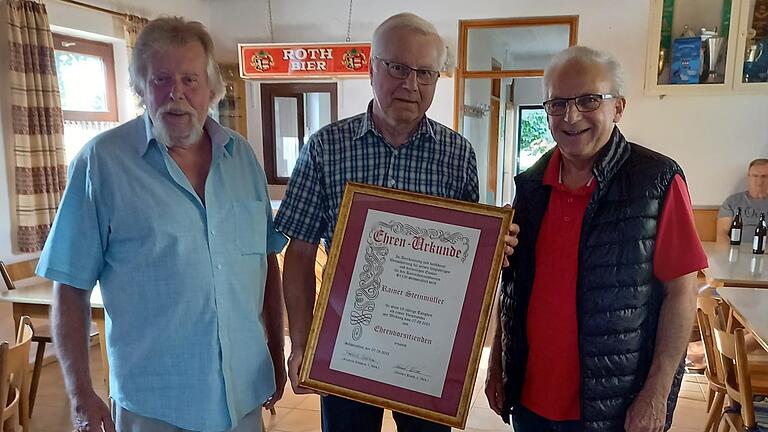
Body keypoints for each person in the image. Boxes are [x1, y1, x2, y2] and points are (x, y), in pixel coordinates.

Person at [36, 17, 287, 432]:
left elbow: (266, 265)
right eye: (161, 80)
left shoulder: (241, 157)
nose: (177, 94)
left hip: (243, 395)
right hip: (154, 406)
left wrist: (276, 357)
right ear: (140, 88)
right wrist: (81, 395)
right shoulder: (101, 163)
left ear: (211, 90)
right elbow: (70, 287)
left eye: (190, 79)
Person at [274, 12, 516, 432]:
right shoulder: (325, 148)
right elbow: (299, 251)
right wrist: (302, 339)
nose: (411, 84)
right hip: (346, 345)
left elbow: (465, 263)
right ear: (372, 69)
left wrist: (494, 247)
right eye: (398, 68)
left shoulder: (457, 156)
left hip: (424, 352)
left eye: (425, 72)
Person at [484, 46, 708, 432]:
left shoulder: (656, 180)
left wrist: (656, 393)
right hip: (531, 404)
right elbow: (514, 287)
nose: (571, 117)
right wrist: (498, 364)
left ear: (618, 107)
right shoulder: (532, 185)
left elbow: (682, 295)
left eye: (588, 100)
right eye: (557, 104)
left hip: (615, 407)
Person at [716, 158, 768, 243]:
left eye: (764, 176)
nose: (759, 181)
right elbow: (722, 235)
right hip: (737, 252)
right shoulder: (732, 202)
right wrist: (728, 254)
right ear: (749, 177)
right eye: (755, 176)